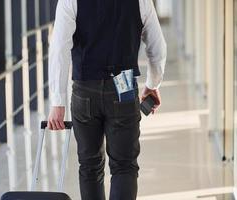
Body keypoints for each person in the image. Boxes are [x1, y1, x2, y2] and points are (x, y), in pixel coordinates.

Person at [47, 0, 167, 199]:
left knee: (89, 165)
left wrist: (57, 102)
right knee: (124, 165)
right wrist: (153, 84)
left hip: (85, 84)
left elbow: (59, 48)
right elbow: (157, 47)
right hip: (124, 82)